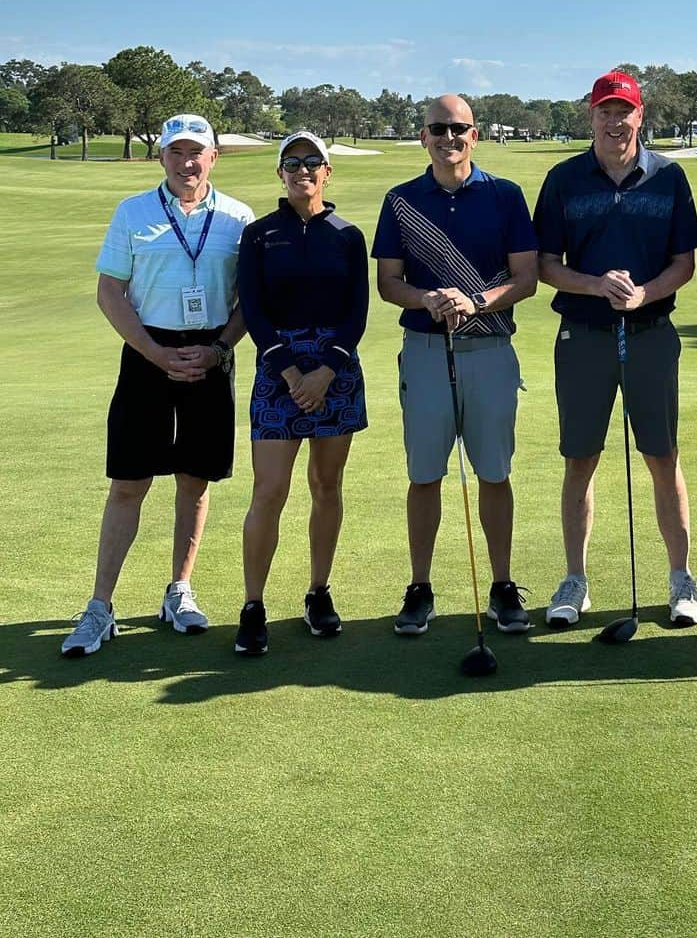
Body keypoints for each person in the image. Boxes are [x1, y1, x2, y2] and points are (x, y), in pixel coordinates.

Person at [62, 114, 253, 657]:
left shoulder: (239, 218)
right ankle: (100, 606)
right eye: (176, 152)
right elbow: (111, 293)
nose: (186, 162)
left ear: (214, 157)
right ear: (161, 158)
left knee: (195, 479)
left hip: (212, 354)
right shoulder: (134, 212)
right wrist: (156, 352)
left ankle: (179, 589)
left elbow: (249, 301)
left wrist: (219, 349)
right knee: (129, 481)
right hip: (148, 355)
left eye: (197, 152)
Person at [533, 70, 697, 629]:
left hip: (653, 333)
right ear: (591, 116)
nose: (614, 121)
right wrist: (596, 285)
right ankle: (575, 580)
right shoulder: (563, 179)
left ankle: (681, 579)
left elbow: (685, 262)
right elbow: (546, 265)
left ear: (640, 116)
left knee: (662, 457)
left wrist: (644, 295)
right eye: (604, 111)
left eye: (623, 111)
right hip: (582, 336)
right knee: (580, 459)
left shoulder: (669, 178)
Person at [372, 95, 538, 637]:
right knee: (425, 475)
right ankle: (420, 587)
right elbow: (388, 282)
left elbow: (526, 278)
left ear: (476, 134)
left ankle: (502, 585)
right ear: (423, 136)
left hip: (490, 351)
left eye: (459, 128)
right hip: (424, 353)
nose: (449, 137)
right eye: (438, 128)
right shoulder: (401, 201)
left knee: (495, 473)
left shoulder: (505, 196)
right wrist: (426, 299)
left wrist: (477, 302)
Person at [233, 133, 369, 656]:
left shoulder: (348, 235)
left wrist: (325, 372)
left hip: (335, 370)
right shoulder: (260, 235)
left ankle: (317, 592)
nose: (303, 170)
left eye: (313, 163)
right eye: (292, 163)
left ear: (327, 172)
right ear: (280, 174)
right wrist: (291, 374)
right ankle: (253, 605)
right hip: (278, 369)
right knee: (268, 491)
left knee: (326, 486)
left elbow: (356, 311)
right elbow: (256, 307)